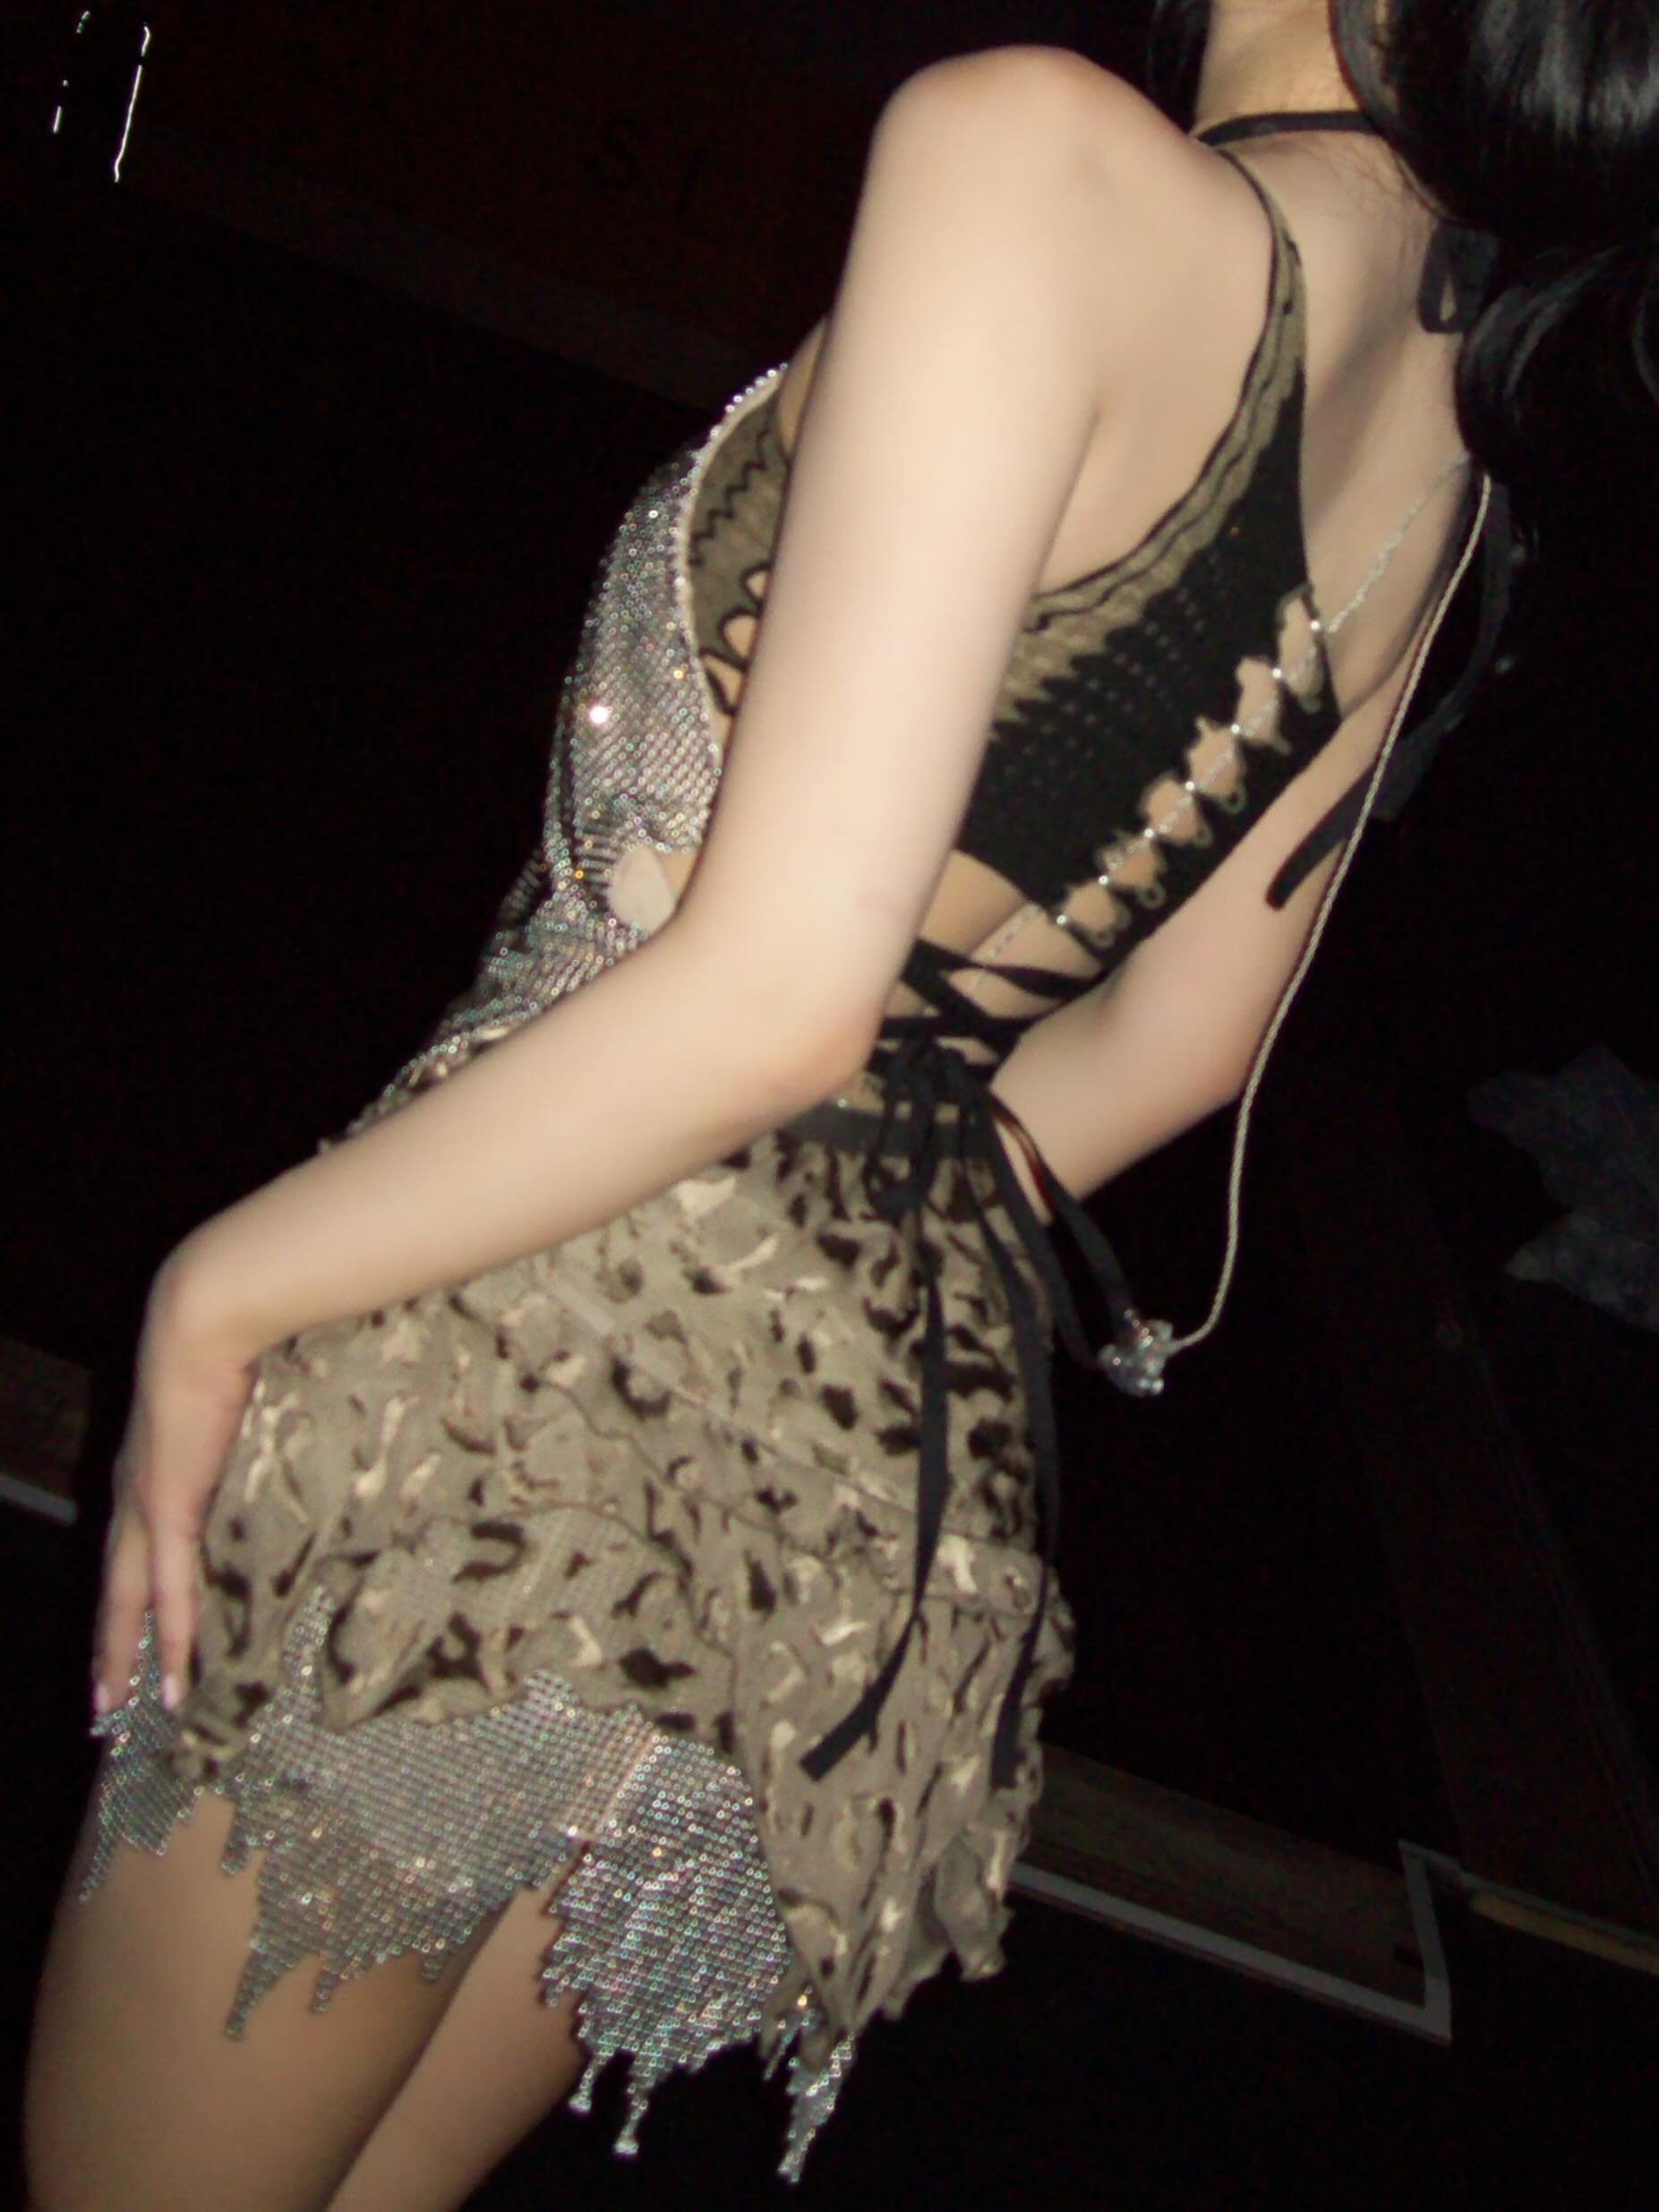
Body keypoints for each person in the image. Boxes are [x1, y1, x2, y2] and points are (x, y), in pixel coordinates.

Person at [23, 2, 1657, 2206]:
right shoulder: (1450, 411)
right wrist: (799, 1247)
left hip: (498, 1386)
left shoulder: (1039, 158)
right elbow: (1177, 1048)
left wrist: (218, 1290)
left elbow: (784, 992)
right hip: (837, 1500)